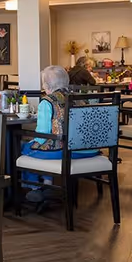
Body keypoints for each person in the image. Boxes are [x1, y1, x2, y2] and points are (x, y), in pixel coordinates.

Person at [21, 66, 101, 201]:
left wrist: (31, 141)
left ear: (46, 85)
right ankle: (48, 184)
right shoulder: (80, 98)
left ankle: (35, 188)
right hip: (88, 149)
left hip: (66, 150)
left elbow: (42, 135)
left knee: (26, 148)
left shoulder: (47, 102)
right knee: (40, 145)